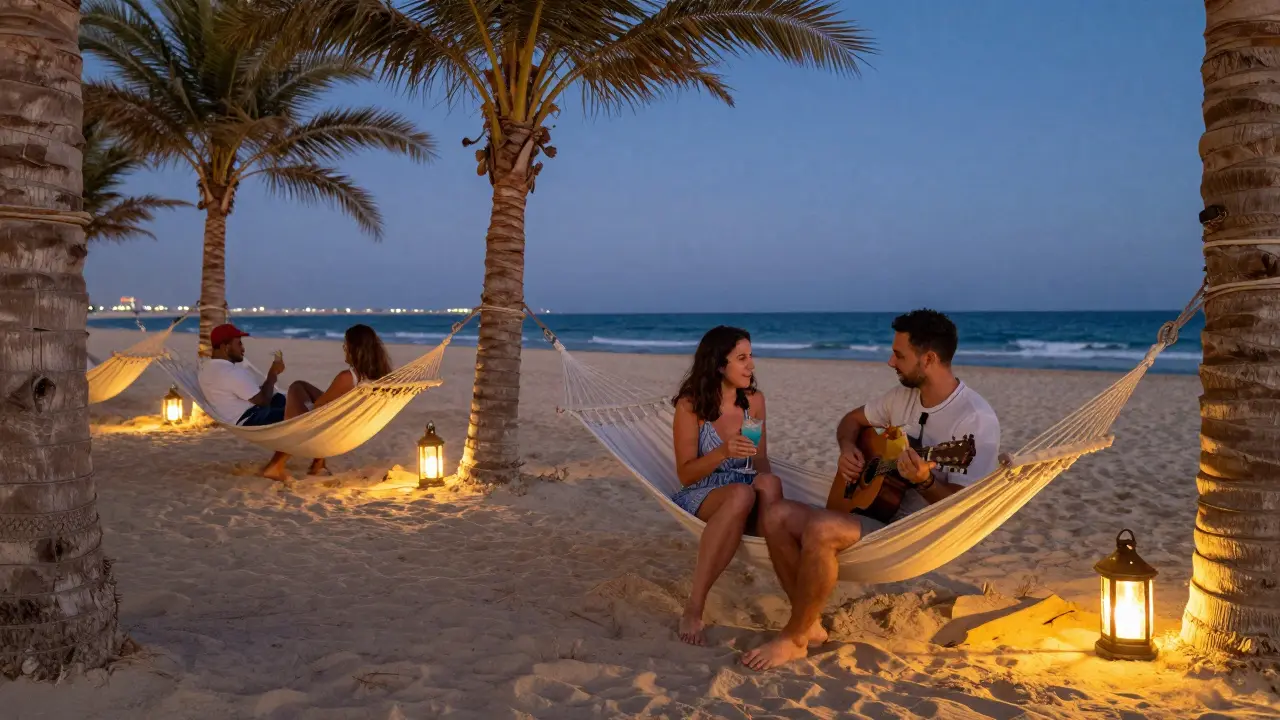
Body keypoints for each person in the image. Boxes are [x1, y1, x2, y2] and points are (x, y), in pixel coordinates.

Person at [742, 309, 1001, 670]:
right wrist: (849, 448)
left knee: (820, 528)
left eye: (899, 355)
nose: (889, 361)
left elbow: (964, 506)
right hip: (874, 509)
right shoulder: (901, 398)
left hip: (912, 531)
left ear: (928, 359)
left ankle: (794, 638)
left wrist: (924, 482)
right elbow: (851, 421)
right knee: (775, 515)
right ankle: (810, 623)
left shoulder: (974, 420)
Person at [670, 326, 784, 646]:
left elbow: (759, 458)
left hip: (745, 486)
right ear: (720, 365)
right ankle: (695, 606)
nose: (751, 365)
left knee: (767, 483)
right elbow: (686, 474)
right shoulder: (690, 406)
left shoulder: (754, 402)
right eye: (742, 358)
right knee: (740, 493)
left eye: (751, 356)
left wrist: (768, 486)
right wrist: (723, 452)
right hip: (704, 491)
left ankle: (797, 596)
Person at [259, 323, 393, 480]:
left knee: (296, 387)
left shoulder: (347, 377)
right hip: (348, 427)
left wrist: (307, 405)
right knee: (304, 386)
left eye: (346, 344)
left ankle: (275, 466)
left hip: (325, 430)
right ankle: (318, 465)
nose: (344, 347)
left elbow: (319, 406)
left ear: (355, 349)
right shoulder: (382, 378)